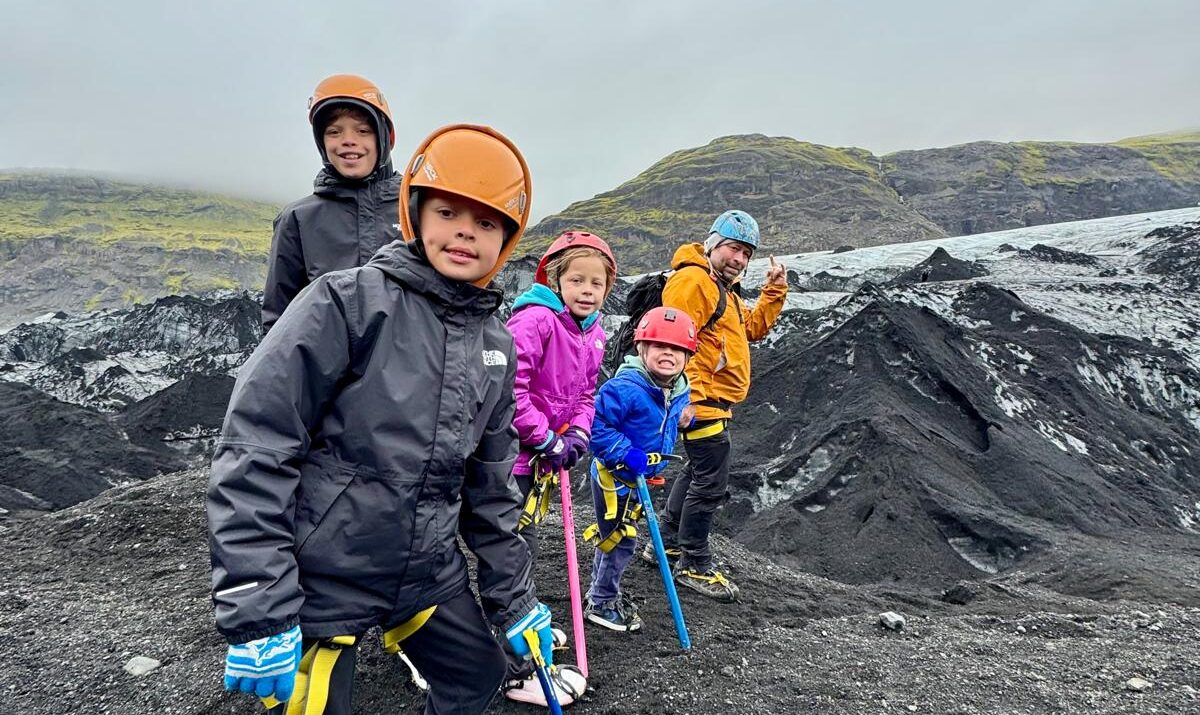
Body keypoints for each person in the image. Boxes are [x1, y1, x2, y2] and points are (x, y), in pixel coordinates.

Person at [209, 124, 583, 714]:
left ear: (507, 240)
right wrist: (259, 607)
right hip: (324, 575)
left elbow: (491, 487)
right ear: (414, 214)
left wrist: (515, 602)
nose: (466, 231)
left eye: (487, 222)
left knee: (478, 677)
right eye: (448, 212)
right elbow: (257, 445)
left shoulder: (495, 344)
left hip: (425, 572)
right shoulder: (345, 301)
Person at [649, 209, 788, 602]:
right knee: (710, 483)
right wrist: (685, 395)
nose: (739, 259)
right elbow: (674, 341)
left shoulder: (721, 288)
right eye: (733, 248)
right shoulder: (693, 282)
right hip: (701, 401)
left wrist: (774, 291)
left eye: (747, 253)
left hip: (711, 399)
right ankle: (694, 563)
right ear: (712, 244)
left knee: (698, 471)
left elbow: (752, 328)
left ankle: (666, 545)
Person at [501, 231, 615, 704]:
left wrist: (578, 433)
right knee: (512, 546)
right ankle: (512, 649)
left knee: (524, 540)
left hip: (543, 456)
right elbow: (510, 388)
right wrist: (545, 438)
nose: (587, 290)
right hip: (513, 456)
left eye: (597, 283)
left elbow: (586, 394)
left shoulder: (595, 334)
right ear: (555, 280)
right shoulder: (535, 321)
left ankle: (521, 621)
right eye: (577, 280)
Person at [261, 74, 401, 332]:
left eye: (363, 130)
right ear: (322, 143)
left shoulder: (419, 209)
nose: (348, 140)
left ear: (385, 138)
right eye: (334, 132)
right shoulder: (298, 219)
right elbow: (279, 323)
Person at [583, 307, 694, 631]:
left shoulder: (678, 388)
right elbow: (595, 424)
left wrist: (683, 420)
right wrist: (626, 452)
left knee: (616, 537)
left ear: (688, 357)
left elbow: (665, 417)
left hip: (640, 478)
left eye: (676, 349)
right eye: (659, 346)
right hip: (614, 478)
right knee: (620, 540)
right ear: (642, 348)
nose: (668, 353)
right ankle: (602, 602)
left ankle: (602, 591)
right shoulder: (625, 388)